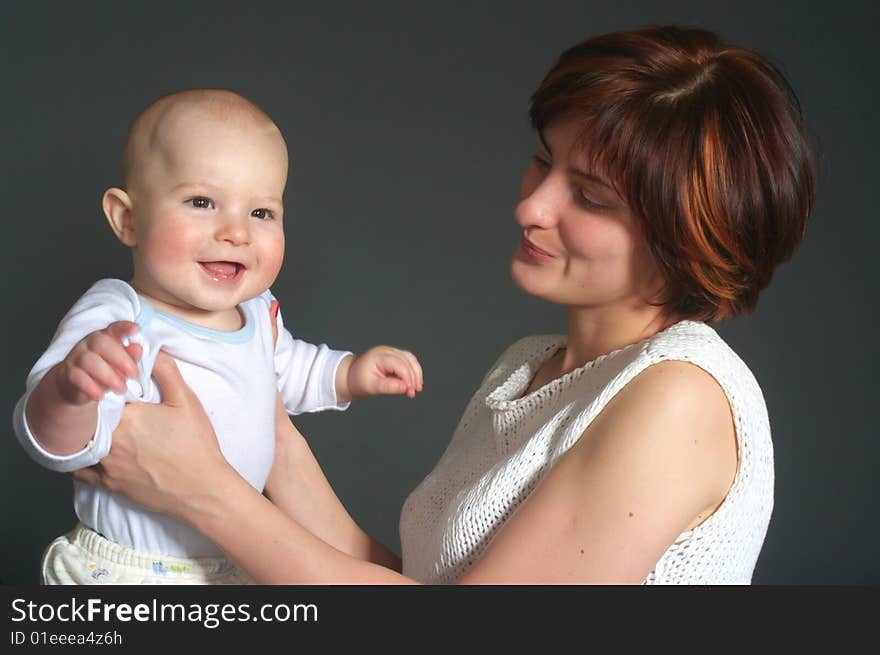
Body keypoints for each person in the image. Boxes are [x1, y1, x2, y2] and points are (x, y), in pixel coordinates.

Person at [73, 25, 815, 584]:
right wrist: (261, 418)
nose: (532, 205)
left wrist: (208, 496)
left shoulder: (679, 397)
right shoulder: (528, 365)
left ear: (687, 239)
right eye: (544, 162)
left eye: (587, 197)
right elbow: (415, 590)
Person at [12, 89, 423, 584]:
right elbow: (51, 444)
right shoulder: (119, 313)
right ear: (128, 218)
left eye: (262, 213)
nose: (236, 232)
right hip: (129, 570)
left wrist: (350, 373)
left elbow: (290, 372)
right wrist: (69, 392)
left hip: (235, 560)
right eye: (202, 202)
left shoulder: (255, 312)